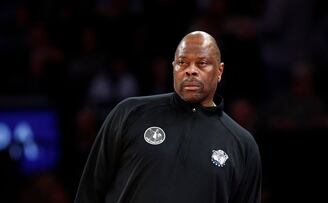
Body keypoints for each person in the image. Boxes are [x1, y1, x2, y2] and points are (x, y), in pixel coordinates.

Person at [75, 31, 261, 203]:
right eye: (183, 62)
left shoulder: (242, 145)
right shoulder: (130, 113)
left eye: (202, 63)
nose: (191, 70)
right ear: (173, 67)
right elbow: (89, 193)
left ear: (219, 71)